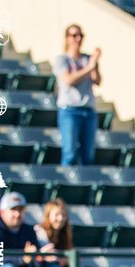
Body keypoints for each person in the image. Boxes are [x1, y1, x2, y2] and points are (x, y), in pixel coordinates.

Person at [53, 23, 101, 166]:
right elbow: (68, 80)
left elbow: (97, 80)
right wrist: (89, 67)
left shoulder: (88, 59)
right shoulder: (62, 59)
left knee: (88, 156)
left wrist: (95, 63)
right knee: (70, 153)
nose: (78, 39)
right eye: (74, 35)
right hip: (70, 110)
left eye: (81, 35)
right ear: (67, 38)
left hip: (88, 110)